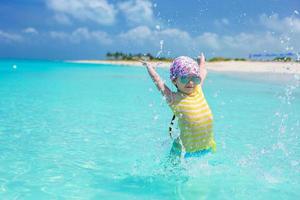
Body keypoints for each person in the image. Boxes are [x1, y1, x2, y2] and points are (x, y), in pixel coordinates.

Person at [141, 53, 216, 159]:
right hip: (187, 152)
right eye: (185, 78)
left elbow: (202, 70)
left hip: (207, 146)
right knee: (172, 167)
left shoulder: (198, 89)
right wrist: (150, 68)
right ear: (174, 80)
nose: (191, 83)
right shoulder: (174, 99)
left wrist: (201, 61)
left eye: (195, 78)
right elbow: (159, 83)